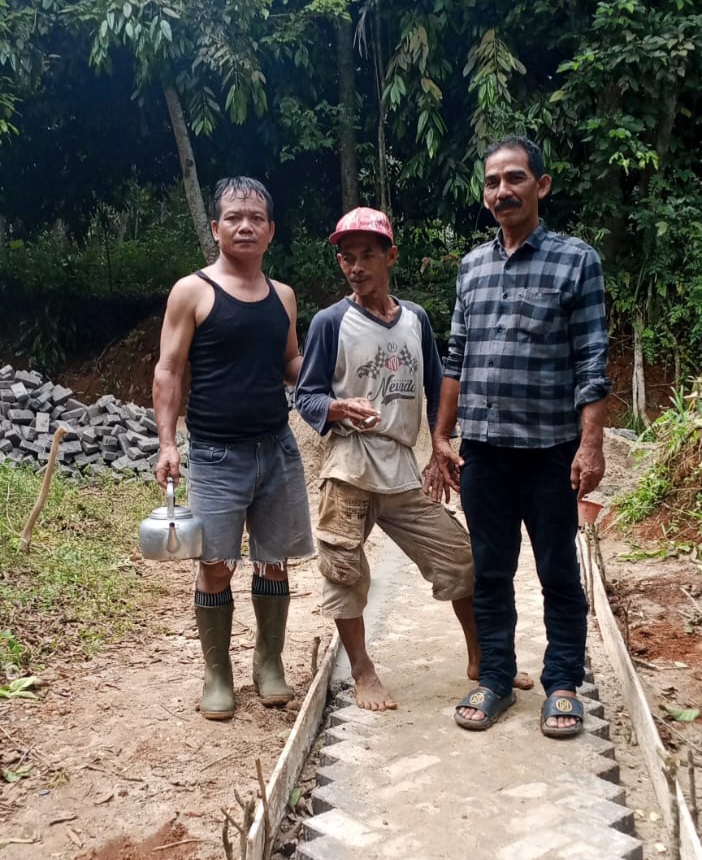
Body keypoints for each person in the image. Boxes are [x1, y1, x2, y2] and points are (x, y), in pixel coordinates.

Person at [295, 206, 516, 712]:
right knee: (343, 569)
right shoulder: (332, 322)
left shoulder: (414, 318)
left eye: (367, 255)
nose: (356, 267)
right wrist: (335, 406)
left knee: (460, 557)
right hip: (348, 468)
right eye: (347, 258)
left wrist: (441, 443)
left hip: (399, 466)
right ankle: (363, 671)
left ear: (390, 256)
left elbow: (438, 385)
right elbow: (305, 395)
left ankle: (483, 659)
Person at [426, 135, 612, 738]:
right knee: (491, 570)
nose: (502, 191)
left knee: (558, 570)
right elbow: (456, 357)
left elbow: (591, 359)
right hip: (484, 453)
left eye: (514, 178)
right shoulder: (472, 266)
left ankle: (562, 683)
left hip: (552, 452)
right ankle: (497, 679)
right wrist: (442, 436)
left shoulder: (575, 260)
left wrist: (591, 444)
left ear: (542, 185)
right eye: (492, 182)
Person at [152, 176, 314, 720]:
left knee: (274, 562)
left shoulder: (283, 296)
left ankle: (268, 664)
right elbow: (170, 370)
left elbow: (291, 364)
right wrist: (167, 442)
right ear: (217, 228)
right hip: (218, 454)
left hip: (277, 451)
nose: (245, 225)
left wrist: (330, 385)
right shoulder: (192, 291)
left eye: (257, 218)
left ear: (271, 230)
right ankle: (217, 673)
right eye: (234, 217)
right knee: (216, 564)